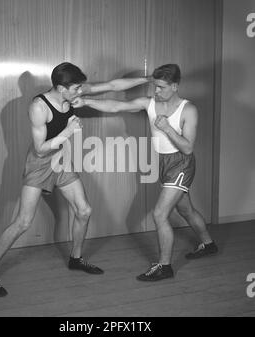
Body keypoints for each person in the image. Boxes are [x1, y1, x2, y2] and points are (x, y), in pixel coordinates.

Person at [0, 62, 150, 297]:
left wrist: (148, 79)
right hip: (39, 163)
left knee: (84, 210)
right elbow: (39, 150)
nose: (81, 91)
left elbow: (112, 85)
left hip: (61, 159)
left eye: (81, 87)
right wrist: (67, 133)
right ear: (61, 88)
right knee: (23, 222)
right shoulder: (39, 107)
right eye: (76, 88)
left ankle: (75, 258)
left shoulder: (71, 92)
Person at [72, 63, 218, 282]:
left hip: (182, 165)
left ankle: (164, 267)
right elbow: (116, 106)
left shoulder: (188, 109)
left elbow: (187, 148)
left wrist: (167, 128)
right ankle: (208, 244)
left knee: (160, 214)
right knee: (186, 210)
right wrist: (85, 101)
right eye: (155, 86)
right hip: (164, 163)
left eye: (161, 87)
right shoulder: (149, 103)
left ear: (175, 86)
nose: (156, 91)